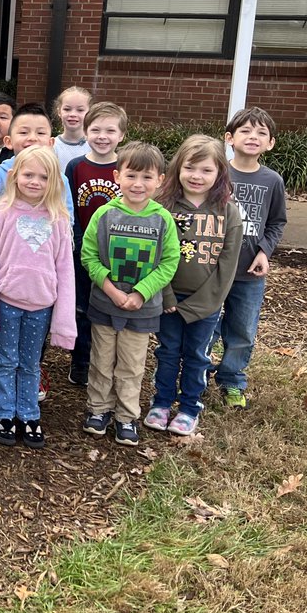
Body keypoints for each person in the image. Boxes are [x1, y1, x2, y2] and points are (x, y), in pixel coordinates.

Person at [80, 141, 178, 446]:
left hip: (142, 310)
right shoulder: (105, 214)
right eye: (132, 175)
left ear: (160, 180)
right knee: (101, 360)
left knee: (132, 365)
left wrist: (141, 293)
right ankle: (98, 410)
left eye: (147, 177)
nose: (138, 184)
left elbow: (169, 262)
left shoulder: (163, 219)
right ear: (116, 176)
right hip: (105, 305)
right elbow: (88, 255)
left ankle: (126, 416)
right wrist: (109, 288)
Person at [0, 146, 75, 447]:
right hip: (7, 302)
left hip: (41, 306)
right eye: (28, 174)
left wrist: (64, 323)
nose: (35, 181)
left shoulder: (58, 218)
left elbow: (66, 271)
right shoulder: (0, 213)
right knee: (6, 360)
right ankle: (4, 413)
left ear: (54, 182)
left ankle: (29, 414)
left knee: (31, 364)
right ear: (15, 175)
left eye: (44, 177)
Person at [145, 135, 243, 437]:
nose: (197, 176)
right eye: (190, 168)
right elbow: (155, 253)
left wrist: (204, 304)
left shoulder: (228, 211)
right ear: (177, 169)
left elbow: (228, 265)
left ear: (219, 174)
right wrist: (167, 295)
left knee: (197, 355)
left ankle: (189, 407)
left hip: (206, 302)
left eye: (206, 170)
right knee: (168, 350)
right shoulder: (163, 206)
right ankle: (161, 403)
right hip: (167, 296)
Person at [0, 101, 73, 404]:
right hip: (8, 278)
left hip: (41, 279)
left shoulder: (59, 179)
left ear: (51, 142)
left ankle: (31, 374)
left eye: (40, 132)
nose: (32, 137)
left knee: (32, 339)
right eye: (24, 131)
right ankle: (2, 376)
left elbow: (67, 225)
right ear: (9, 140)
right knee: (4, 338)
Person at [213, 107, 287, 409]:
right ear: (229, 137)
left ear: (271, 143)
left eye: (261, 133)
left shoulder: (272, 181)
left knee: (242, 329)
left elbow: (276, 222)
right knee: (205, 326)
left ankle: (232, 380)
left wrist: (264, 251)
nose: (252, 137)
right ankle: (196, 373)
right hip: (213, 269)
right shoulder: (215, 174)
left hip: (249, 272)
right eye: (245, 130)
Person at [64, 101, 128, 387]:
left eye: (110, 130)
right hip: (81, 250)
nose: (103, 136)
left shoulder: (125, 167)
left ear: (122, 135)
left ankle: (110, 363)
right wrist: (76, 242)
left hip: (118, 251)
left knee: (111, 306)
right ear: (85, 131)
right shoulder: (76, 166)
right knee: (82, 307)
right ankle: (80, 363)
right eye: (96, 129)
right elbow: (68, 207)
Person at [53, 85, 92, 173]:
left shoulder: (94, 145)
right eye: (67, 109)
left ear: (89, 112)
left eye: (80, 110)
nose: (73, 114)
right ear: (59, 111)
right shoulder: (52, 146)